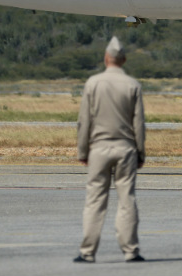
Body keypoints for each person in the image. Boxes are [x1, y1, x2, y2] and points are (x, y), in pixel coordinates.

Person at [73, 37, 146, 264]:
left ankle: (87, 252)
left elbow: (84, 121)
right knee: (127, 200)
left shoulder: (93, 83)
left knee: (94, 200)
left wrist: (82, 151)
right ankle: (130, 251)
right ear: (123, 60)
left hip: (99, 148)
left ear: (106, 59)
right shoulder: (133, 85)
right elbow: (139, 124)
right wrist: (141, 152)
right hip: (125, 149)